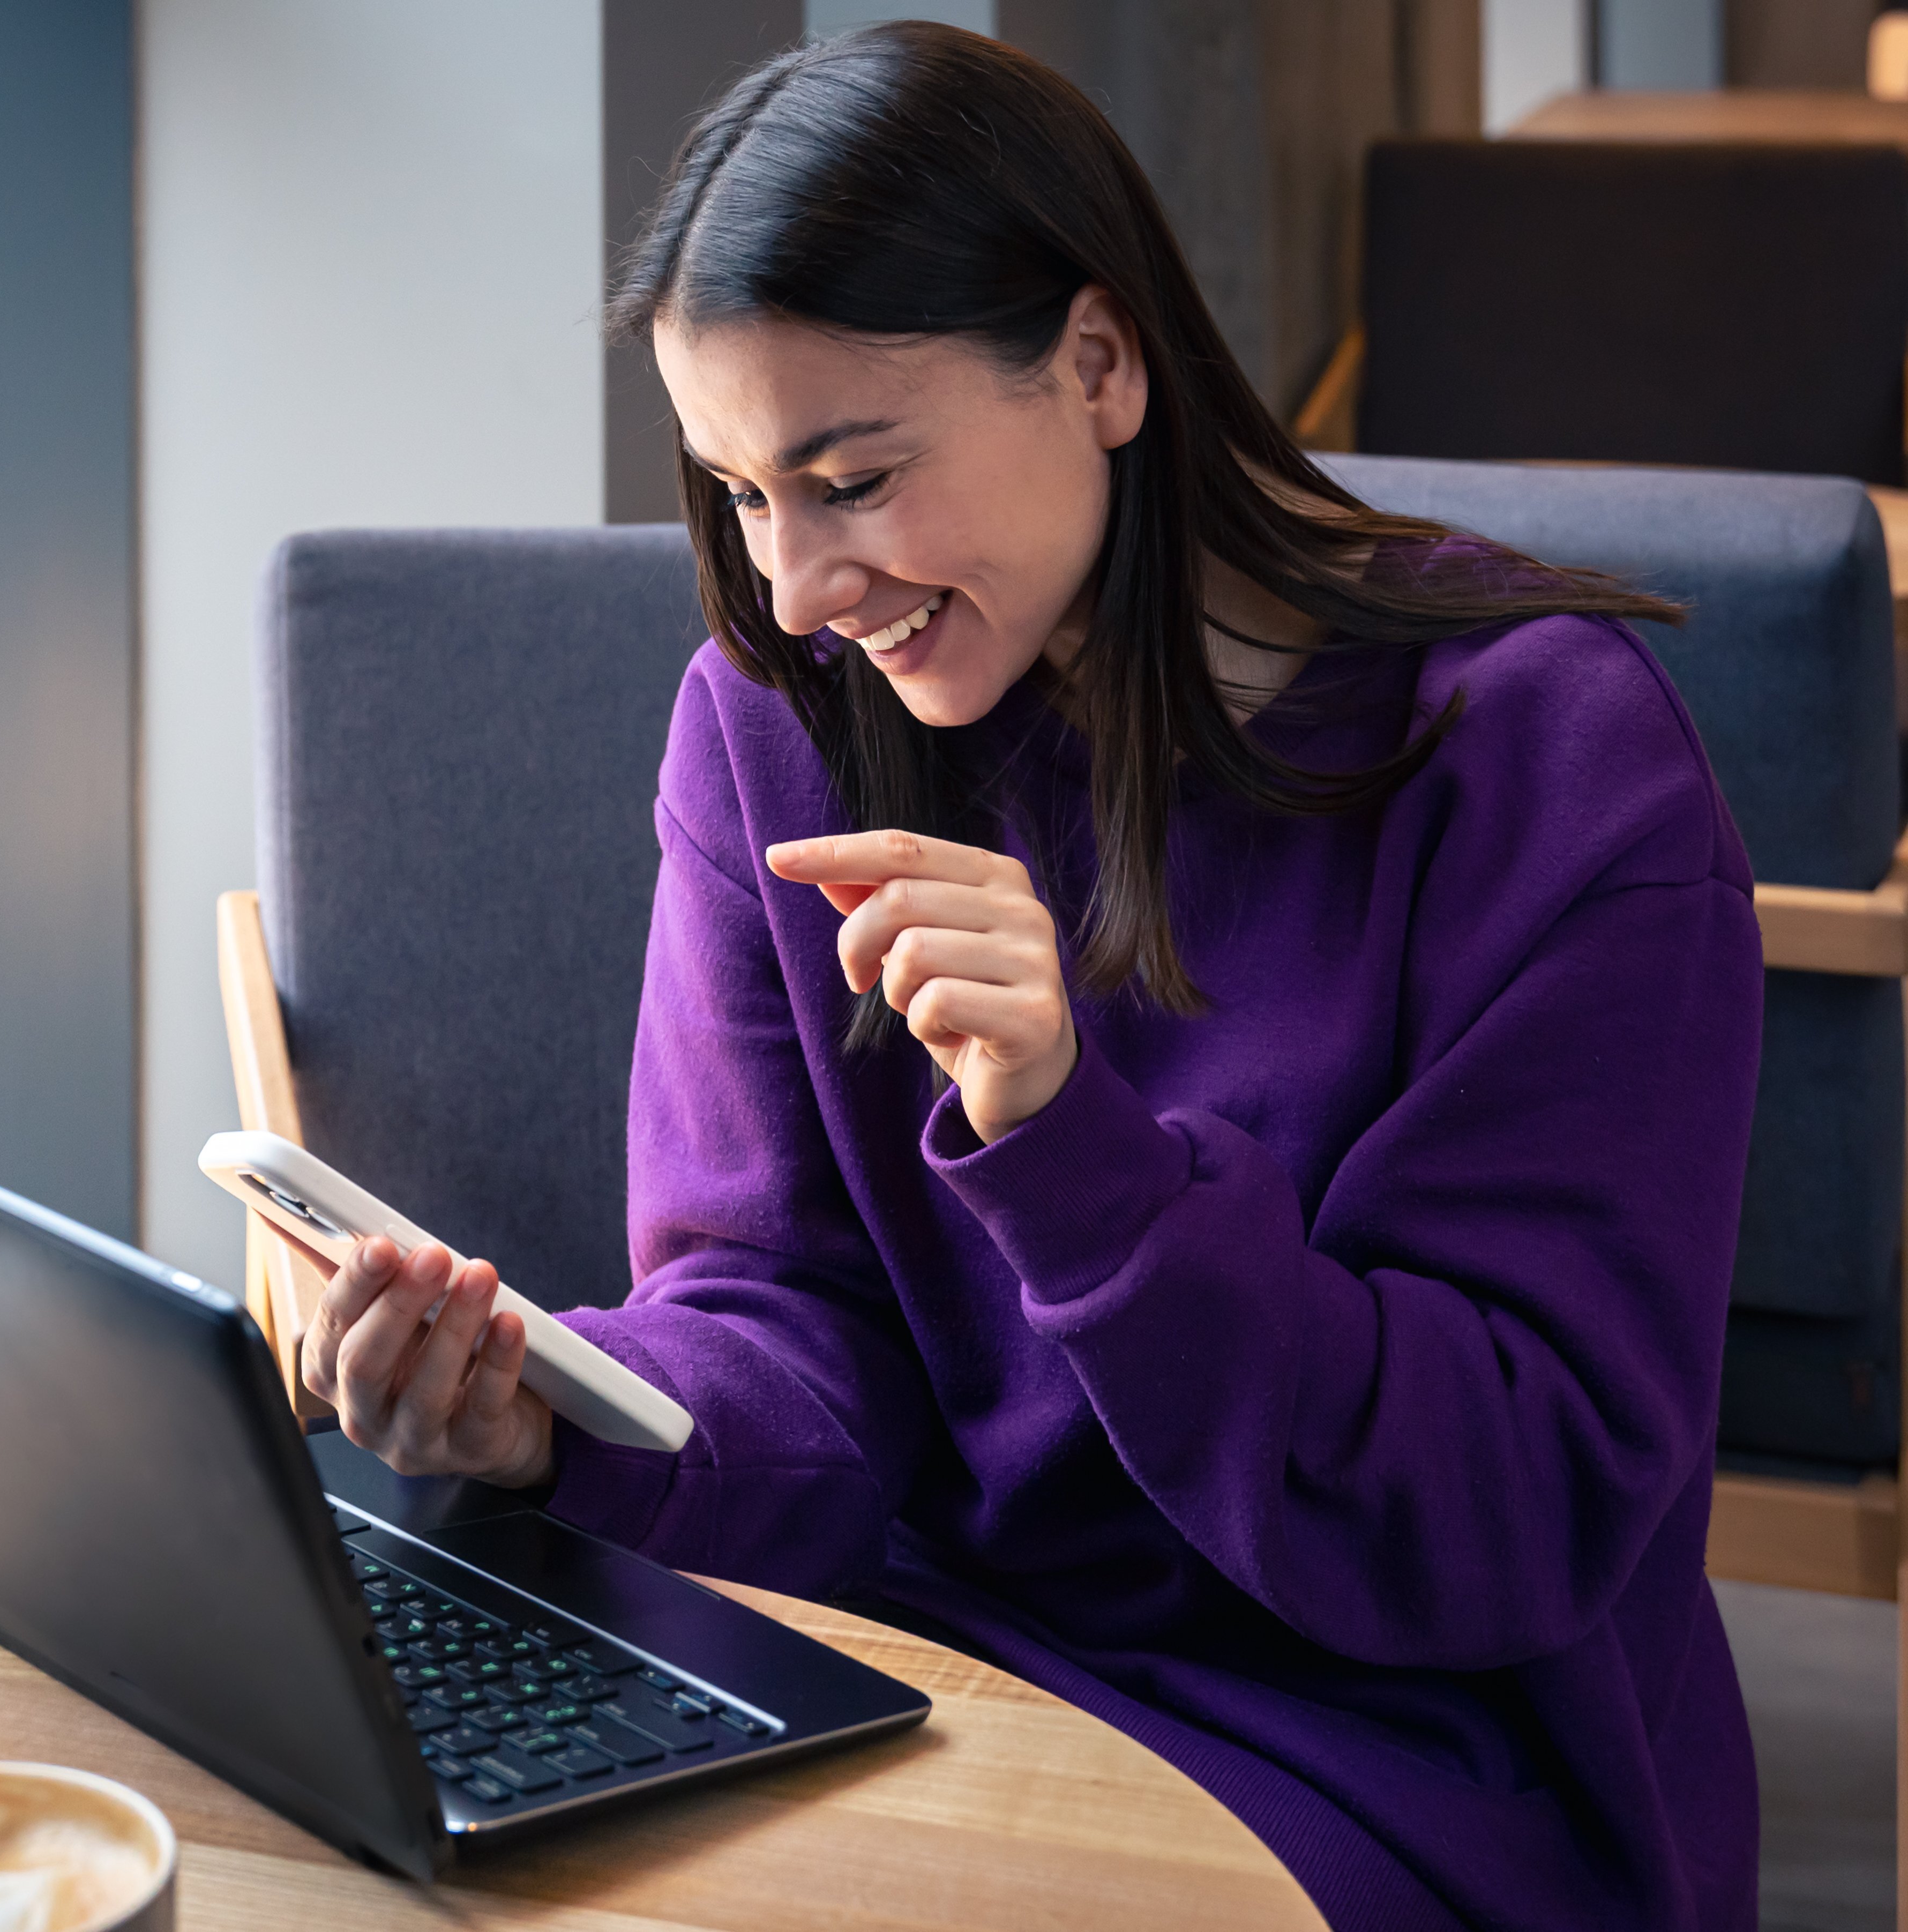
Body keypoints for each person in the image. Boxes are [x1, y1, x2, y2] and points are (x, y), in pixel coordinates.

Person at [294, 23, 1762, 1932]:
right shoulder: (775, 727)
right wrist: (557, 1417)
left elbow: (1510, 1510)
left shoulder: (1551, 765)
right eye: (744, 494)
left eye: (854, 476)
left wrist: (1082, 1160)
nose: (800, 585)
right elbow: (774, 1310)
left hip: (1400, 1739)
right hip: (923, 1658)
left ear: (1099, 362)